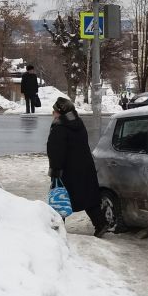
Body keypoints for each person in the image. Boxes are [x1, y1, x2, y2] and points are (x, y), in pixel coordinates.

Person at [47, 97, 109, 237]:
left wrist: (55, 171)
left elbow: (56, 152)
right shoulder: (77, 123)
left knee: (60, 198)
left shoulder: (59, 128)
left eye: (54, 111)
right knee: (88, 198)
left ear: (59, 112)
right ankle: (101, 224)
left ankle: (57, 230)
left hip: (67, 171)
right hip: (85, 167)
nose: (53, 113)